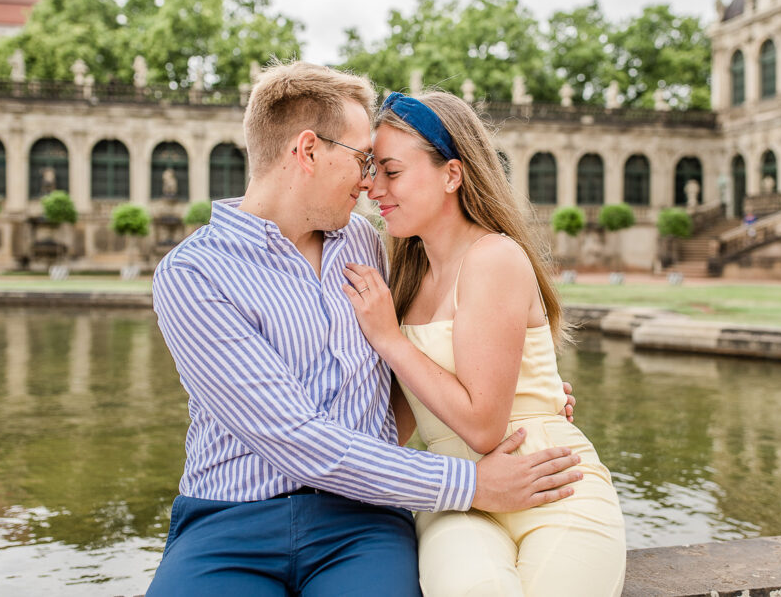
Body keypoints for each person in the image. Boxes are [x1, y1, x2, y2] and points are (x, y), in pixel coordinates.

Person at [147, 62, 583, 596]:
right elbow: (295, 438)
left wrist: (521, 391)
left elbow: (425, 354)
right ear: (307, 151)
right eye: (361, 160)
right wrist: (470, 485)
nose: (368, 181)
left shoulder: (372, 244)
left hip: (362, 523)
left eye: (378, 166)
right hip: (228, 521)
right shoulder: (193, 275)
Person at [342, 90, 627, 596]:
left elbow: (483, 425)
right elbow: (395, 426)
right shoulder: (405, 281)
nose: (374, 190)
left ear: (452, 174)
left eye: (392, 171)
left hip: (551, 482)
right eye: (372, 171)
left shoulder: (493, 257)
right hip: (459, 498)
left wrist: (389, 339)